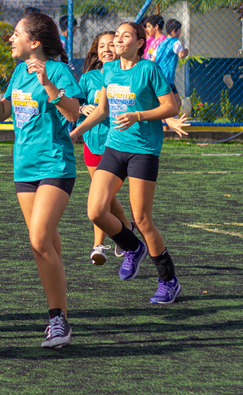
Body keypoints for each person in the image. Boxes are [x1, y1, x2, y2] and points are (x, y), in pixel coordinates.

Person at [0, 12, 81, 348]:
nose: (10, 39)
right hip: (24, 170)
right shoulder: (18, 72)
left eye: (16, 33)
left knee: (39, 240)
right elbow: (2, 113)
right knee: (47, 246)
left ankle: (57, 320)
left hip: (55, 166)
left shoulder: (58, 70)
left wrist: (48, 83)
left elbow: (74, 113)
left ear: (34, 42)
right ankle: (61, 313)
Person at [72, 21, 185, 305]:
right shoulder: (108, 71)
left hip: (143, 150)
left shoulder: (149, 69)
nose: (117, 41)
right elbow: (102, 111)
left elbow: (171, 106)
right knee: (95, 211)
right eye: (115, 36)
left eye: (124, 36)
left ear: (139, 43)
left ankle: (168, 281)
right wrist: (75, 132)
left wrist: (139, 116)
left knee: (142, 219)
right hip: (114, 148)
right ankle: (132, 248)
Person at [71, 32, 134, 266]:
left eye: (110, 45)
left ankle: (99, 245)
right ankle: (126, 229)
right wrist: (82, 108)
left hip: (116, 145)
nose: (106, 49)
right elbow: (75, 105)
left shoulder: (127, 75)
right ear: (95, 51)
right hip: (92, 143)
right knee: (107, 196)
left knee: (101, 198)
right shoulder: (88, 78)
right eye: (101, 46)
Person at [154, 19, 189, 95]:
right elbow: (181, 55)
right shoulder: (176, 42)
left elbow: (152, 59)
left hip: (158, 77)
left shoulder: (161, 44)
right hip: (167, 79)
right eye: (179, 31)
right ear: (174, 31)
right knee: (173, 102)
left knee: (177, 101)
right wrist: (186, 50)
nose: (180, 33)